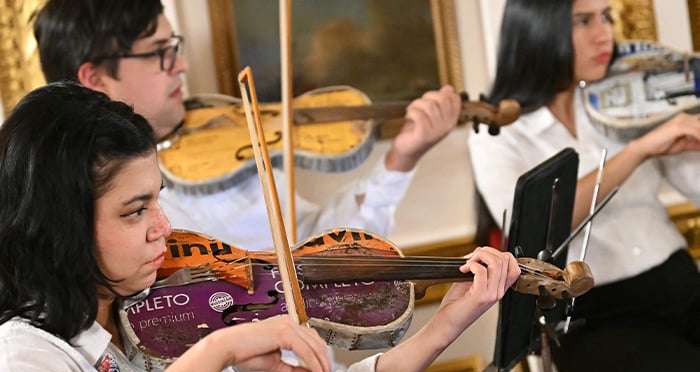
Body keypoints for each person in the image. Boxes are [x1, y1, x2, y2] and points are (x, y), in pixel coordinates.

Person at [0, 81, 519, 372]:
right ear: (60, 222)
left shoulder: (172, 306)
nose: (164, 227)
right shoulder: (26, 360)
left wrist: (447, 324)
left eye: (158, 199)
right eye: (136, 211)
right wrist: (218, 352)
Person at [33, 0, 461, 251]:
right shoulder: (83, 218)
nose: (181, 65)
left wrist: (400, 159)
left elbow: (317, 248)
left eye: (174, 47)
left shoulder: (224, 137)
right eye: (160, 52)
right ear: (95, 78)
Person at [469, 0, 700, 372]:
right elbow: (539, 225)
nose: (604, 32)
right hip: (592, 318)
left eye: (606, 16)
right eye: (583, 20)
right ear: (538, 30)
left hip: (681, 284)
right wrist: (639, 149)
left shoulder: (627, 97)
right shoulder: (497, 133)